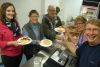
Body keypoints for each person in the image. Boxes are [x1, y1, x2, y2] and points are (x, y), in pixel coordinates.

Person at [0, 2, 23, 67]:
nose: (11, 13)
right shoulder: (0, 25)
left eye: (13, 11)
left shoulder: (15, 22)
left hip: (19, 51)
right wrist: (12, 43)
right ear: (3, 11)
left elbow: (18, 35)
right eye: (8, 11)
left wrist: (24, 37)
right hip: (8, 55)